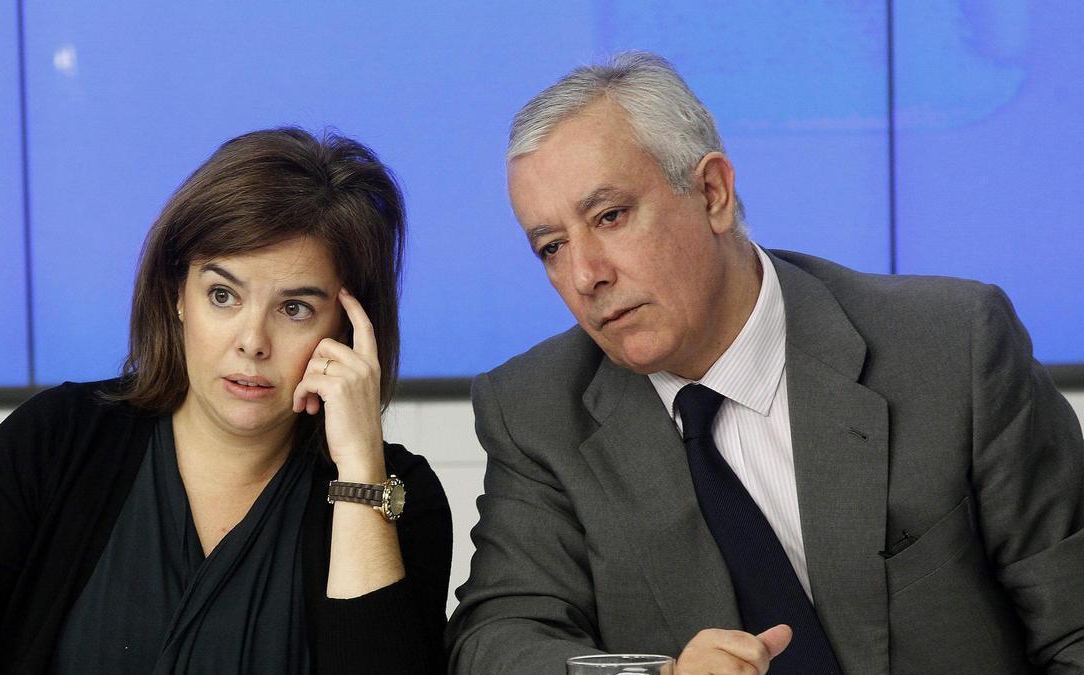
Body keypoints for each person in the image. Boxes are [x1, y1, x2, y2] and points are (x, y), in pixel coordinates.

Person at [447, 52, 1084, 674]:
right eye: (552, 247)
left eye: (610, 216)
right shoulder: (537, 410)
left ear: (713, 193)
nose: (586, 275)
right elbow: (496, 640)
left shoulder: (950, 346)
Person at [0, 128, 452, 674]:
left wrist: (359, 475)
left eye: (295, 308)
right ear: (177, 295)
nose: (252, 341)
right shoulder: (58, 438)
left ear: (348, 329)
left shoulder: (398, 494)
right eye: (223, 295)